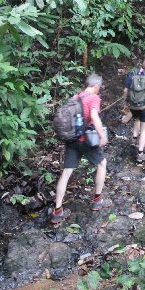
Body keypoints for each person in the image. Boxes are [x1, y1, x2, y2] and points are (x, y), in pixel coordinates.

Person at [51, 74, 109, 224]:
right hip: (87, 141)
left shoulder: (75, 98)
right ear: (96, 86)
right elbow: (94, 117)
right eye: (99, 87)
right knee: (102, 164)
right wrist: (102, 136)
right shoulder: (93, 98)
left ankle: (57, 211)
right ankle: (97, 200)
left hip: (72, 140)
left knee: (66, 173)